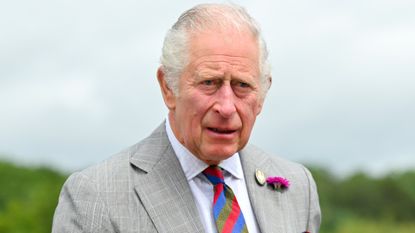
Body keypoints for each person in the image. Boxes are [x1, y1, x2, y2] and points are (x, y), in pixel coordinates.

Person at [52, 3, 321, 233]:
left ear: (262, 94)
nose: (226, 107)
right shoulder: (96, 196)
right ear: (168, 87)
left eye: (242, 85)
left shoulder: (298, 187)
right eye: (209, 82)